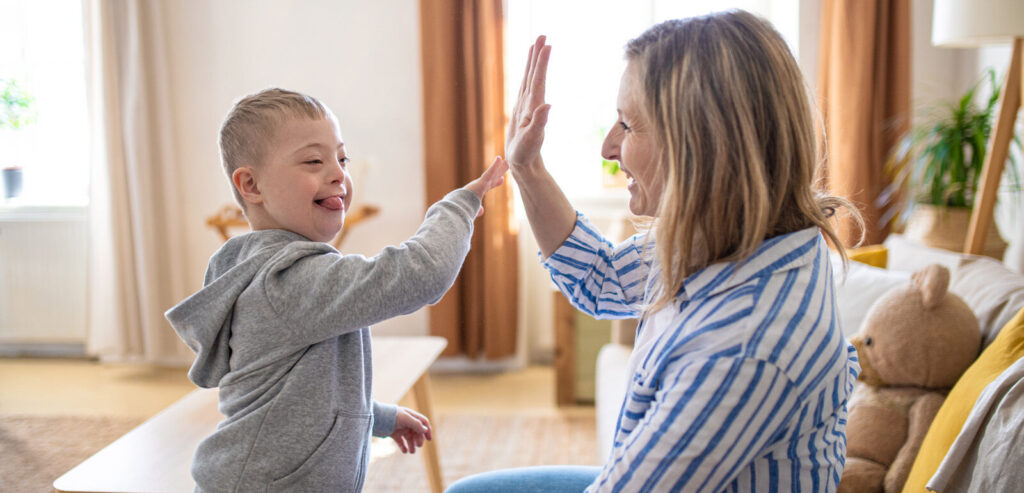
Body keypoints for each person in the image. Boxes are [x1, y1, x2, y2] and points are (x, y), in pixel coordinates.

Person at [449, 10, 863, 493]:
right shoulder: (737, 233)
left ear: (704, 144)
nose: (608, 147)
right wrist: (527, 167)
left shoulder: (743, 348)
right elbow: (601, 277)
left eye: (627, 125)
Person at [165, 88, 508, 492]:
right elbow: (421, 274)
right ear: (251, 185)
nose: (338, 173)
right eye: (314, 160)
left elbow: (297, 394)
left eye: (341, 158)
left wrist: (376, 416)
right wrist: (458, 206)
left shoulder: (270, 269)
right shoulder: (287, 280)